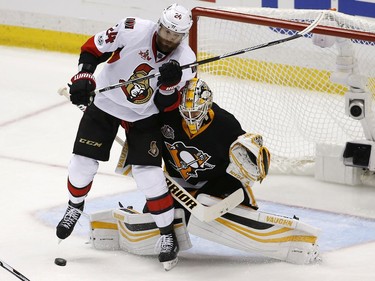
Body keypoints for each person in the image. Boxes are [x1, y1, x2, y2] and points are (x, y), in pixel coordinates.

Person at [56, 3, 196, 270]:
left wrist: (168, 84)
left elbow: (167, 106)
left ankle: (167, 234)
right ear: (159, 24)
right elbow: (92, 48)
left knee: (149, 176)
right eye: (166, 31)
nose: (168, 38)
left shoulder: (187, 61)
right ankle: (75, 206)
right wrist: (85, 74)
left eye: (175, 36)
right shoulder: (131, 28)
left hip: (144, 116)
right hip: (106, 102)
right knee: (81, 163)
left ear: (183, 36)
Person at [157, 77, 270, 220]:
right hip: (176, 182)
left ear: (207, 106)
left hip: (215, 182)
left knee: (237, 189)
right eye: (186, 113)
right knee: (155, 213)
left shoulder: (225, 124)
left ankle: (250, 214)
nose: (191, 118)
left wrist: (252, 155)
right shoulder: (168, 117)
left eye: (196, 112)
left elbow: (244, 156)